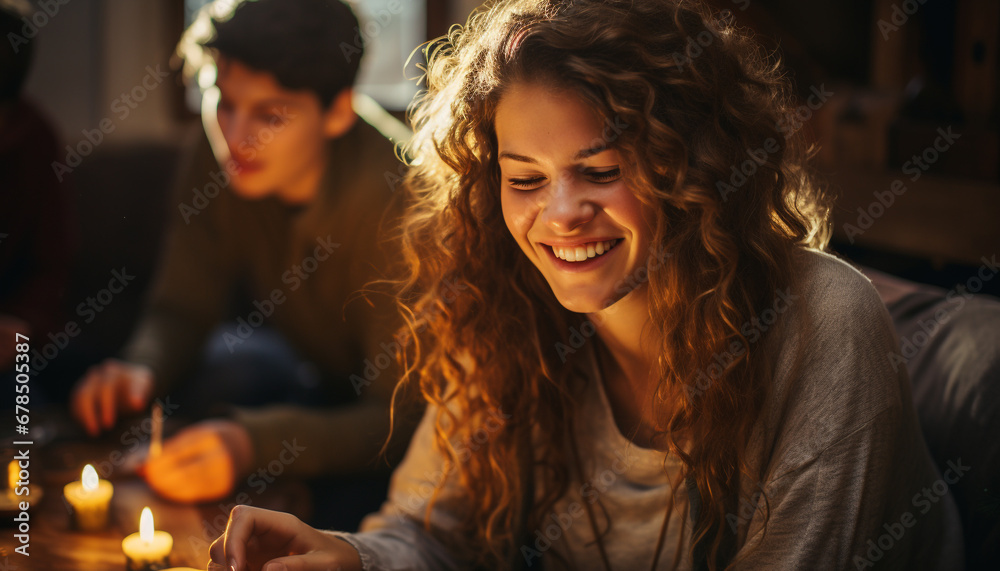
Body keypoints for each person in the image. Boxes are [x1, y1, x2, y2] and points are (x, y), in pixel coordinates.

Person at [207, 0, 964, 569]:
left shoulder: (823, 322)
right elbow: (431, 529)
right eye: (525, 178)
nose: (560, 215)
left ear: (690, 165)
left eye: (601, 171)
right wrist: (353, 558)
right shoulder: (502, 310)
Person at [69, 0, 415, 510]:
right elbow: (182, 308)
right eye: (223, 102)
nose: (234, 137)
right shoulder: (215, 161)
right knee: (226, 368)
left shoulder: (402, 201)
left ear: (339, 111)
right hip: (298, 374)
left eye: (270, 115)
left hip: (384, 415)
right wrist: (141, 368)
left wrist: (249, 444)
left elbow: (402, 419)